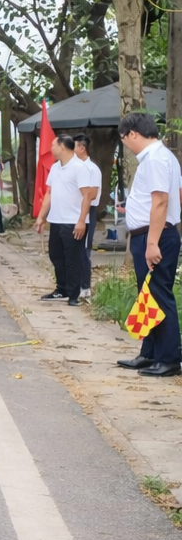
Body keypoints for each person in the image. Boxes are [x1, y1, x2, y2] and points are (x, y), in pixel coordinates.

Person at [116, 112, 181, 377]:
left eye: (123, 139)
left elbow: (161, 201)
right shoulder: (161, 157)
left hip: (155, 235)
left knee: (158, 294)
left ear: (132, 134)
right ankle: (151, 352)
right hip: (152, 233)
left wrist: (152, 242)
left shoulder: (155, 158)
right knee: (149, 294)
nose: (125, 145)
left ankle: (169, 357)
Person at [34, 134, 92, 307]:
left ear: (62, 147)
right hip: (56, 220)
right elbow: (49, 193)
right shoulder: (55, 168)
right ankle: (62, 288)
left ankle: (74, 294)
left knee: (72, 258)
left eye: (53, 145)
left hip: (73, 221)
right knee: (56, 256)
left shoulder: (79, 168)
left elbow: (87, 196)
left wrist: (81, 221)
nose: (50, 148)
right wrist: (41, 217)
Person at [71, 133, 103, 297]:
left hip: (87, 211)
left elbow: (91, 195)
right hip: (72, 210)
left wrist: (82, 218)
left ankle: (85, 286)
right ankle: (73, 284)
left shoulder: (92, 169)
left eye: (74, 145)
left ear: (82, 148)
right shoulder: (73, 167)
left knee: (84, 249)